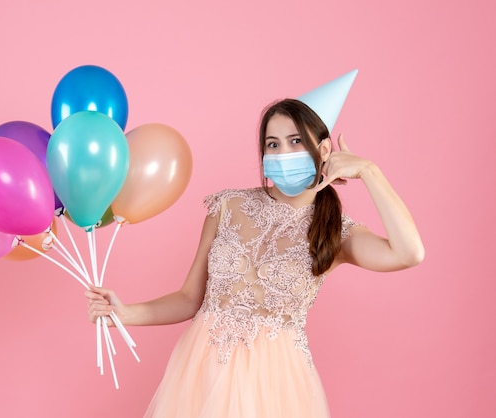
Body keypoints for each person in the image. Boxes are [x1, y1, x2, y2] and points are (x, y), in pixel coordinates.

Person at [85, 98, 425, 417]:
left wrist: (369, 172)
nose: (283, 151)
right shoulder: (228, 206)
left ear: (323, 150)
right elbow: (190, 299)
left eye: (295, 141)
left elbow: (409, 253)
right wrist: (126, 313)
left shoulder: (337, 233)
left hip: (274, 385)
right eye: (273, 144)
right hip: (203, 370)